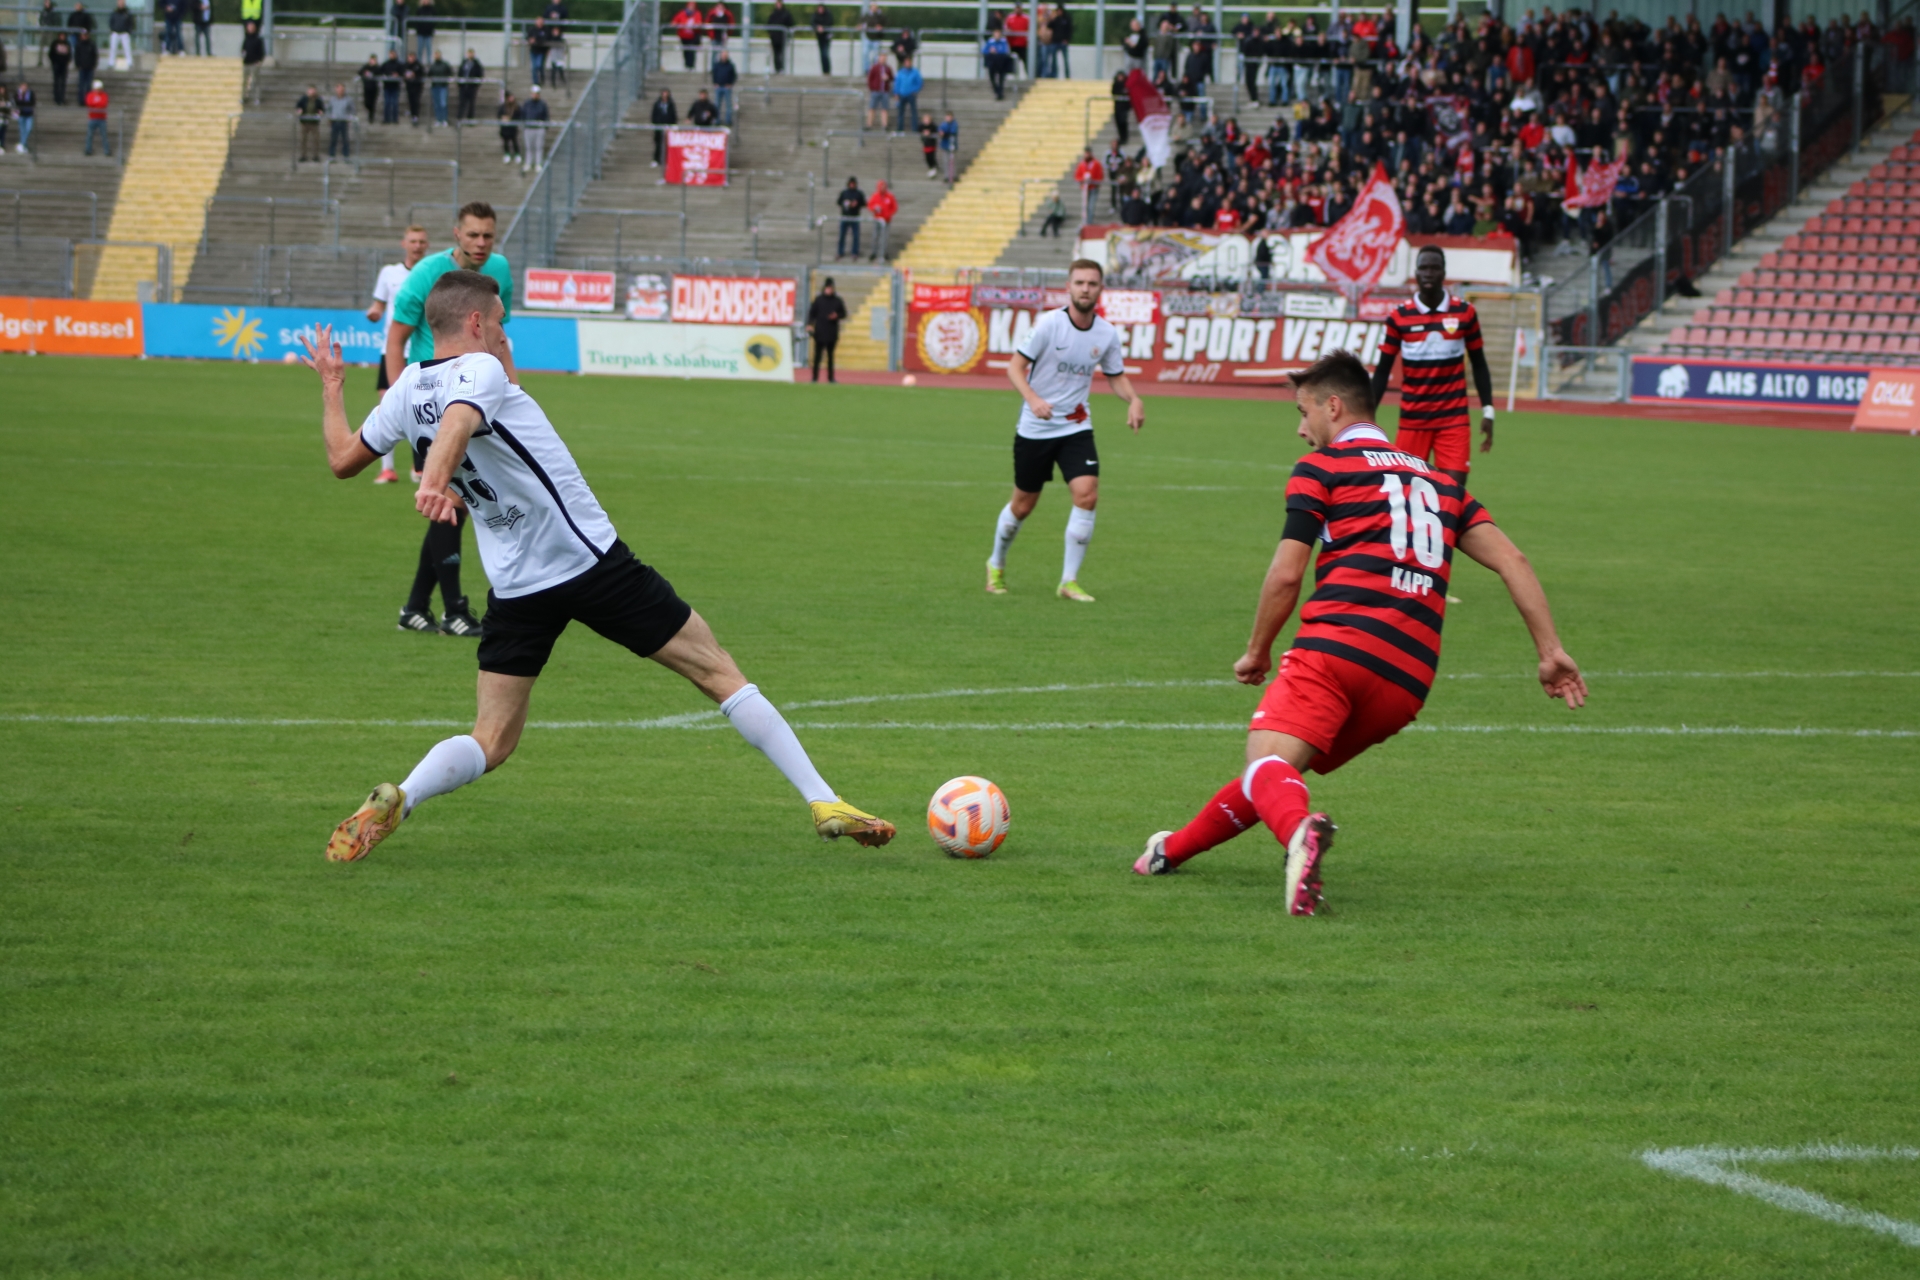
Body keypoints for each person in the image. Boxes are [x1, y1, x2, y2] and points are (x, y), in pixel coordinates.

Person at [307, 273, 898, 863]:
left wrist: (333, 387)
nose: (505, 334)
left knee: (491, 738)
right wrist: (433, 484)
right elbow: (460, 420)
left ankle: (404, 795)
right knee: (718, 671)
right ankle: (824, 801)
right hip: (589, 563)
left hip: (515, 587)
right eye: (501, 322)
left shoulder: (408, 388)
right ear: (477, 323)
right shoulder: (480, 369)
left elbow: (342, 460)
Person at [1133, 350, 1587, 914]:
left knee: (1267, 765)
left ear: (1333, 406)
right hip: (1407, 683)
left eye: (1303, 413)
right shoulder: (1441, 482)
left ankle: (1300, 835)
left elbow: (1287, 574)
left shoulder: (1322, 469)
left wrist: (1257, 651)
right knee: (1276, 774)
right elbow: (1513, 560)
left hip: (1337, 649)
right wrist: (1551, 651)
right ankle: (1168, 852)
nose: (1301, 429)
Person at [380, 204, 513, 637]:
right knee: (451, 501)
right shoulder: (426, 275)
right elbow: (396, 340)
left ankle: (415, 607)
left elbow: (498, 337)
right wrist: (402, 404)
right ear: (457, 233)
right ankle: (454, 610)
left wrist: (513, 394)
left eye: (488, 236)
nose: (481, 243)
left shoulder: (499, 271)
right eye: (473, 235)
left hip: (475, 400)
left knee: (457, 501)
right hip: (433, 403)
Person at [985, 259, 1144, 603]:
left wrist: (1133, 399)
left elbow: (1115, 375)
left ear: (1100, 289)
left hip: (1076, 426)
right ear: (1068, 287)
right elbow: (1015, 367)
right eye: (1080, 283)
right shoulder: (1049, 324)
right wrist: (1033, 399)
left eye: (1092, 283)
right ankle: (995, 563)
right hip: (1036, 428)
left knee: (1087, 495)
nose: (1085, 289)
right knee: (1022, 506)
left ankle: (1068, 581)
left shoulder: (1106, 333)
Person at [1368, 245, 1495, 487]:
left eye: (1434, 268)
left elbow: (1479, 364)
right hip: (1412, 421)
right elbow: (1382, 371)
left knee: (1453, 495)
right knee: (1407, 495)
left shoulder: (1465, 313)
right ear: (1415, 273)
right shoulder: (1399, 317)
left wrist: (1488, 410)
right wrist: (1367, 415)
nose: (1428, 273)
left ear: (1443, 273)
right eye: (1423, 268)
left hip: (1453, 420)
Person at [365, 223, 430, 487]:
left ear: (427, 245)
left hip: (421, 350)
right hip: (392, 350)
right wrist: (374, 312)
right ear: (404, 244)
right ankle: (388, 469)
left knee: (421, 408)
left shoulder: (432, 272)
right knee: (387, 406)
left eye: (421, 241)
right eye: (413, 241)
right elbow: (379, 304)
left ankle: (421, 466)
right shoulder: (389, 273)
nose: (417, 246)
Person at [805, 277, 846, 381]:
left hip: (832, 333)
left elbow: (843, 313)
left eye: (831, 288)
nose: (829, 290)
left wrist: (837, 315)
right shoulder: (818, 300)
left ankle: (831, 378)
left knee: (830, 357)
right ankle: (814, 377)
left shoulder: (837, 301)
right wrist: (810, 324)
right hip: (819, 332)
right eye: (828, 288)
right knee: (817, 356)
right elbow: (812, 314)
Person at [520, 83, 549, 170]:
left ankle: (538, 163)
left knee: (539, 147)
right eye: (533, 93)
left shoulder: (542, 104)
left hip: (539, 128)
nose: (535, 95)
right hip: (529, 128)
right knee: (529, 147)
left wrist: (545, 126)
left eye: (536, 93)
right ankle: (528, 163)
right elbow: (523, 114)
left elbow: (546, 116)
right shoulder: (527, 103)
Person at [835, 175, 865, 258]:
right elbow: (839, 202)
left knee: (855, 236)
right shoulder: (844, 193)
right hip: (845, 216)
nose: (852, 185)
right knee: (842, 235)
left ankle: (855, 252)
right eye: (851, 183)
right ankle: (840, 252)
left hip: (855, 217)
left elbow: (864, 203)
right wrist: (846, 203)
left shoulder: (859, 193)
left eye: (853, 183)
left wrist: (857, 203)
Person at [867, 178, 896, 259]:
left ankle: (884, 252)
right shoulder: (875, 196)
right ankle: (874, 252)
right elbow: (870, 205)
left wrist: (888, 214)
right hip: (877, 219)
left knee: (885, 237)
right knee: (875, 236)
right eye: (881, 186)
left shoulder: (890, 196)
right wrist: (874, 209)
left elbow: (894, 207)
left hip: (886, 220)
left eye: (884, 186)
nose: (882, 188)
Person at [294, 83, 324, 162]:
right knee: (303, 140)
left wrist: (320, 112)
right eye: (310, 90)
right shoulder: (303, 99)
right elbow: (298, 106)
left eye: (313, 90)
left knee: (316, 140)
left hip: (314, 123)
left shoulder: (318, 100)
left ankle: (315, 155)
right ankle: (303, 155)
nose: (312, 92)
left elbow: (321, 108)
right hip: (305, 122)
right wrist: (299, 111)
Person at [893, 54, 921, 132]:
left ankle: (914, 128)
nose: (908, 64)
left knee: (913, 112)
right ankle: (900, 128)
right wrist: (896, 93)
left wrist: (914, 90)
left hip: (911, 94)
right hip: (902, 94)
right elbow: (897, 83)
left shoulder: (915, 72)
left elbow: (919, 83)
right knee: (900, 112)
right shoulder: (900, 72)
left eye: (909, 62)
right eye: (906, 62)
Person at [863, 53, 891, 130]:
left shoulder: (888, 68)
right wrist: (872, 88)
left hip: (884, 91)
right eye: (881, 57)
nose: (883, 59)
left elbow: (891, 78)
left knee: (884, 109)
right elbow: (870, 78)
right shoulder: (875, 67)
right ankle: (869, 124)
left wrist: (887, 78)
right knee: (872, 108)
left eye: (884, 58)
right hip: (875, 91)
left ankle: (885, 125)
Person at [672, 0, 702, 70]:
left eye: (693, 5)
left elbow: (699, 22)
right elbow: (674, 22)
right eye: (690, 5)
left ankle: (691, 66)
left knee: (692, 51)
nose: (692, 6)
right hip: (684, 36)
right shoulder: (682, 13)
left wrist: (696, 25)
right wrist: (677, 24)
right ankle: (686, 66)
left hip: (693, 36)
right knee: (685, 51)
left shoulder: (697, 13)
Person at [648, 87, 675, 166]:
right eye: (663, 93)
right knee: (658, 144)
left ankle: (667, 160)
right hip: (659, 127)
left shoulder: (671, 104)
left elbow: (673, 115)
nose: (665, 95)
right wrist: (655, 123)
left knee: (667, 144)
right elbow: (654, 114)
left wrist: (671, 125)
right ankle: (656, 159)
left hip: (667, 127)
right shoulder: (657, 104)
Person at [325, 81, 353, 157]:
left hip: (344, 121)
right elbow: (328, 109)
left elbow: (352, 110)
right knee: (333, 139)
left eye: (342, 89)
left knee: (345, 139)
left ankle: (346, 155)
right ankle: (332, 155)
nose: (340, 91)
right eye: (339, 89)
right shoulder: (332, 99)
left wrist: (349, 118)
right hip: (335, 121)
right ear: (336, 90)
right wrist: (329, 118)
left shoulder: (348, 100)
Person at [764, 0, 794, 71]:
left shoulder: (786, 14)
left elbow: (790, 24)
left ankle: (781, 68)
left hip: (783, 37)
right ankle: (777, 68)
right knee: (776, 53)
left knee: (782, 53)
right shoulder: (773, 14)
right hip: (774, 37)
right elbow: (769, 24)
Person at [241, 21, 266, 103]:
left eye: (251, 27)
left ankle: (257, 97)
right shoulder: (246, 39)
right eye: (249, 27)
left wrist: (259, 61)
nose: (250, 29)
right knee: (245, 81)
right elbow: (243, 49)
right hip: (246, 63)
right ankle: (244, 97)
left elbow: (262, 52)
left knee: (256, 81)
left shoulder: (258, 39)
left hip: (254, 63)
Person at [710, 48, 735, 126]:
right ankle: (717, 120)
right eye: (723, 55)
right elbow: (714, 74)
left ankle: (728, 120)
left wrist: (730, 83)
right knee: (717, 104)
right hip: (719, 86)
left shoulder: (730, 65)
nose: (724, 57)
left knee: (728, 105)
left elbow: (733, 75)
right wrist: (715, 83)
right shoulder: (717, 65)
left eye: (725, 55)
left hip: (726, 87)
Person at [456, 50, 482, 120]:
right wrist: (459, 83)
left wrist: (476, 84)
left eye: (471, 53)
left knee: (471, 104)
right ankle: (460, 117)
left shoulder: (476, 64)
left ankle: (470, 118)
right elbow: (460, 72)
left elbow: (480, 74)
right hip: (463, 86)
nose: (470, 55)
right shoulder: (464, 63)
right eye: (469, 53)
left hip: (472, 87)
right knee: (462, 102)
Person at [496, 90, 521, 162]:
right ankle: (507, 154)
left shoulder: (516, 107)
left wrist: (512, 119)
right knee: (505, 142)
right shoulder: (503, 107)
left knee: (514, 141)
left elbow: (519, 115)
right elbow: (499, 115)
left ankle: (517, 154)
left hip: (512, 128)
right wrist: (503, 118)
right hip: (505, 128)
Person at [107, 0, 133, 69]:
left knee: (127, 49)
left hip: (124, 33)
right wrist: (112, 29)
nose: (121, 5)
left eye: (122, 3)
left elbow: (131, 23)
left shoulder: (127, 13)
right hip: (115, 33)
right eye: (120, 3)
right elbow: (111, 21)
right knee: (113, 48)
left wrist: (128, 31)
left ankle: (129, 63)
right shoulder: (114, 12)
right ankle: (111, 63)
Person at [379, 50, 403, 124]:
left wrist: (397, 74)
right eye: (390, 54)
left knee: (395, 103)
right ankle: (386, 119)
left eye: (393, 54)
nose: (392, 56)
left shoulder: (398, 64)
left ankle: (395, 119)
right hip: (387, 86)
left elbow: (402, 72)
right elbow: (380, 71)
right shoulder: (386, 64)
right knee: (387, 103)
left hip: (395, 86)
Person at [401, 52, 424, 125]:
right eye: (409, 58)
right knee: (411, 101)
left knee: (416, 101)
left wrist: (414, 75)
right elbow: (402, 73)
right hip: (409, 86)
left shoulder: (418, 65)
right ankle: (412, 115)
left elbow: (421, 74)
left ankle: (416, 115)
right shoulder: (406, 65)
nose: (410, 59)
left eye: (411, 57)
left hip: (417, 87)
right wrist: (405, 75)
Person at [47, 33, 70, 105]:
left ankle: (62, 98)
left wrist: (66, 61)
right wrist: (54, 62)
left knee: (63, 82)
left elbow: (69, 54)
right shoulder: (55, 43)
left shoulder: (67, 44)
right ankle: (56, 98)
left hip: (64, 65)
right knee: (56, 82)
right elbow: (51, 54)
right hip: (56, 65)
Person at [13, 80, 35, 153]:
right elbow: (17, 102)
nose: (24, 87)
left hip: (29, 114)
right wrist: (24, 102)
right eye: (22, 86)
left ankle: (21, 144)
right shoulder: (18, 93)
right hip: (21, 114)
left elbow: (32, 102)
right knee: (22, 130)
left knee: (29, 128)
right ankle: (24, 146)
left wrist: (24, 103)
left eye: (25, 86)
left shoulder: (31, 93)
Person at [937, 110, 958, 183]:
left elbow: (952, 132)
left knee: (952, 161)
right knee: (945, 161)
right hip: (945, 145)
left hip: (952, 145)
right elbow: (939, 130)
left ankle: (953, 175)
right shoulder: (943, 124)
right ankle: (946, 176)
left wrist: (944, 133)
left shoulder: (954, 124)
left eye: (949, 117)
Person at [810, 1, 832, 73]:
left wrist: (823, 28)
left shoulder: (827, 15)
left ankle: (827, 70)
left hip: (826, 37)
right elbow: (812, 22)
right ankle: (825, 71)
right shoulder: (815, 15)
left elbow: (830, 22)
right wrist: (817, 27)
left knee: (825, 54)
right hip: (820, 37)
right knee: (822, 54)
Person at [358, 55, 381, 124]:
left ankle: (371, 117)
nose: (372, 61)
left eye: (373, 60)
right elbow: (359, 72)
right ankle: (369, 111)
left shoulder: (377, 67)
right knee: (367, 102)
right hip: (367, 87)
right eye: (371, 60)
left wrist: (372, 73)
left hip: (374, 88)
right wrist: (365, 73)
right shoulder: (366, 66)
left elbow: (379, 72)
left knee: (373, 103)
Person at [916, 109, 936, 177]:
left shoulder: (932, 126)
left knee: (931, 156)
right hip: (925, 144)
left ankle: (933, 167)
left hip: (931, 144)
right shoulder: (921, 126)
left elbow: (935, 130)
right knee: (927, 157)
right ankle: (931, 167)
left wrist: (929, 133)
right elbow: (919, 130)